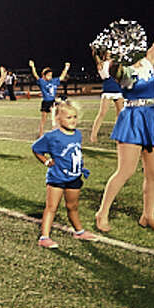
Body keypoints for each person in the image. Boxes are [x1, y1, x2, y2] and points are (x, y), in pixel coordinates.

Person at [94, 10, 154, 233]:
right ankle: (102, 213)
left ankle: (147, 215)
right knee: (126, 171)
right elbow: (115, 73)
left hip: (152, 116)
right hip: (132, 117)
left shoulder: (150, 60)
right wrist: (109, 56)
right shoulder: (121, 70)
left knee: (153, 174)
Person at [31, 100, 98, 248]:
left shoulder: (77, 134)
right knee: (51, 207)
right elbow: (36, 148)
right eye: (68, 117)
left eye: (74, 117)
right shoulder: (52, 136)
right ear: (58, 119)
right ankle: (44, 237)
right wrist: (46, 161)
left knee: (72, 206)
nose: (73, 120)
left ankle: (79, 231)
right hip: (57, 178)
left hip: (74, 177)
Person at [88, 47, 125, 144]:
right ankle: (93, 135)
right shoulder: (101, 64)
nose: (109, 55)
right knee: (102, 113)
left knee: (120, 114)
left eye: (110, 53)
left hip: (118, 89)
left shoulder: (116, 63)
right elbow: (95, 57)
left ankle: (118, 134)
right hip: (108, 90)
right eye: (107, 53)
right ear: (103, 55)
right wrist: (94, 51)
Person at [28, 59, 70, 138]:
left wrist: (66, 68)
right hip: (45, 102)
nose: (50, 77)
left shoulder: (54, 81)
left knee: (55, 118)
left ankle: (56, 133)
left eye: (51, 75)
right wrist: (33, 67)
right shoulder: (42, 82)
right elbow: (36, 75)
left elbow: (62, 77)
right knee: (43, 119)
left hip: (53, 102)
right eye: (48, 75)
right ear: (44, 76)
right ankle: (40, 133)